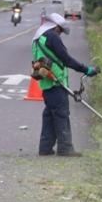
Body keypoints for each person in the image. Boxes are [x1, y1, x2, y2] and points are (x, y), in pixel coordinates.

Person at [31, 11, 98, 157]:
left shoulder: (38, 38)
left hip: (47, 83)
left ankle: (45, 148)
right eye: (60, 30)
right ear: (56, 27)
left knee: (50, 114)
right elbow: (66, 59)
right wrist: (86, 69)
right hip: (55, 82)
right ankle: (65, 148)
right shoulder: (52, 37)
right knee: (61, 114)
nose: (60, 34)